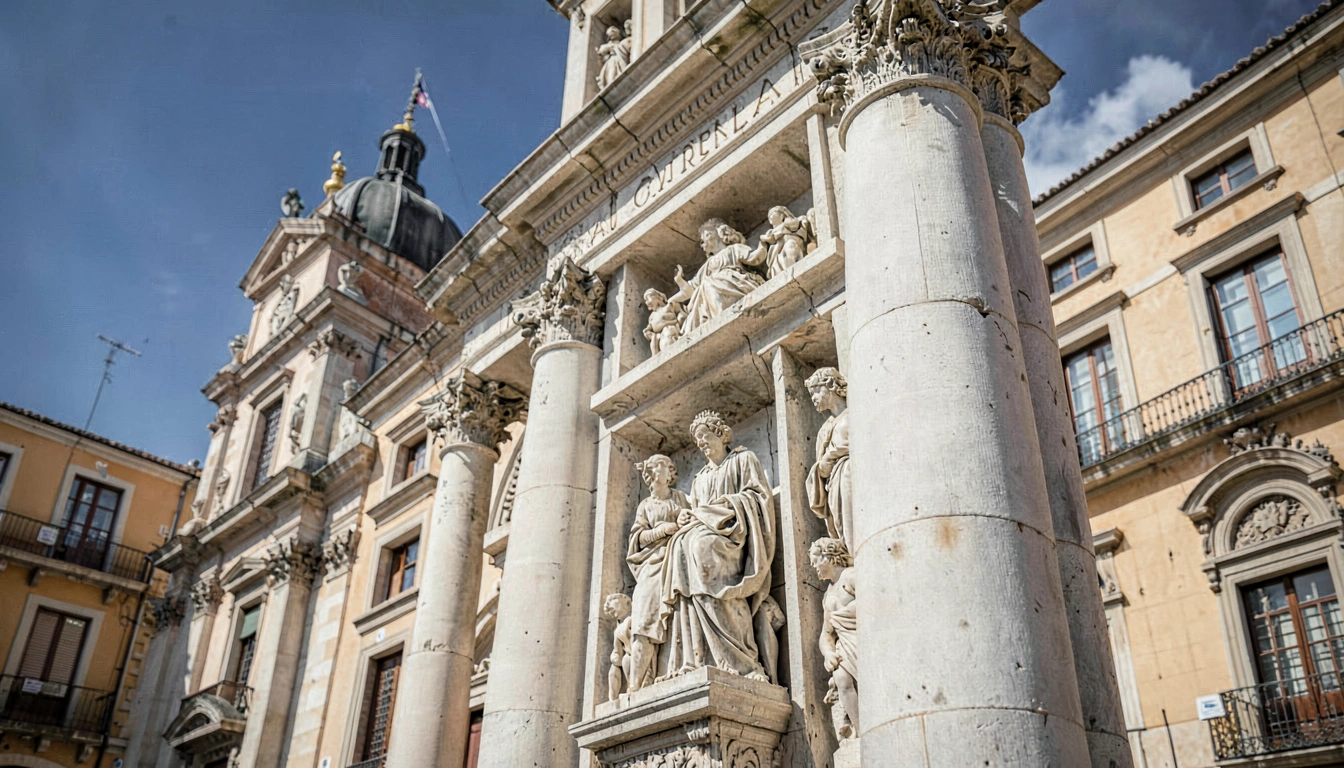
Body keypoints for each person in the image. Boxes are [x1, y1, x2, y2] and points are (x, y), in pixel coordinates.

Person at [657, 411, 776, 681]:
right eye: (697, 439)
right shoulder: (700, 479)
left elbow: (758, 497)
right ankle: (694, 658)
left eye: (704, 435)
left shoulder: (743, 460)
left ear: (721, 434)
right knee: (679, 545)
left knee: (700, 546)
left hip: (734, 537)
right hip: (702, 538)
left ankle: (741, 660)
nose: (700, 442)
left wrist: (719, 511)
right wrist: (688, 516)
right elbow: (696, 511)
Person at [626, 455, 690, 690]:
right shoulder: (646, 505)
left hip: (678, 560)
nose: (671, 471)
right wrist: (662, 530)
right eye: (665, 468)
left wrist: (685, 517)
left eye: (670, 468)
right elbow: (637, 538)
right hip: (652, 564)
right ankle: (635, 685)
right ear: (653, 474)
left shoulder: (681, 498)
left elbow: (693, 521)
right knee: (643, 619)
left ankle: (673, 667)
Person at [667, 219, 766, 336]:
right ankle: (718, 318)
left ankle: (720, 318)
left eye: (708, 234)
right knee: (705, 286)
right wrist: (673, 294)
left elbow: (755, 258)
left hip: (737, 284)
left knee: (707, 284)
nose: (704, 242)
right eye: (703, 240)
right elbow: (690, 290)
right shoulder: (708, 265)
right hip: (715, 289)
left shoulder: (734, 249)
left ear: (719, 233)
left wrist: (764, 243)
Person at [810, 537, 858, 740]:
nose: (813, 566)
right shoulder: (827, 595)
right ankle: (859, 730)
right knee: (841, 678)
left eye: (815, 560)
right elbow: (826, 633)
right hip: (844, 644)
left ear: (828, 556)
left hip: (860, 638)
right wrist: (828, 653)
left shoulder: (851, 576)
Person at [805, 367, 852, 552]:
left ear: (830, 385)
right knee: (843, 528)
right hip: (834, 486)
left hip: (850, 476)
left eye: (815, 391)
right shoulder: (823, 430)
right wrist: (822, 466)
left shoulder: (853, 413)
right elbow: (822, 468)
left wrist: (831, 456)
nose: (813, 398)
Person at [604, 593, 634, 700]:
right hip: (628, 655)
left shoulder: (633, 617)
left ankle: (633, 686)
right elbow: (617, 651)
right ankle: (613, 699)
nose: (610, 612)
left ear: (626, 602)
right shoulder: (618, 629)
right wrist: (615, 656)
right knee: (614, 667)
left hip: (637, 653)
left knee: (627, 659)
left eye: (612, 607)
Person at [642, 288, 684, 355]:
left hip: (671, 332)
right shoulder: (652, 317)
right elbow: (649, 328)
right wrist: (648, 333)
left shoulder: (670, 306)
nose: (647, 303)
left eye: (648, 298)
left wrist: (679, 320)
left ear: (656, 297)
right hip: (661, 338)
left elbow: (682, 314)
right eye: (645, 301)